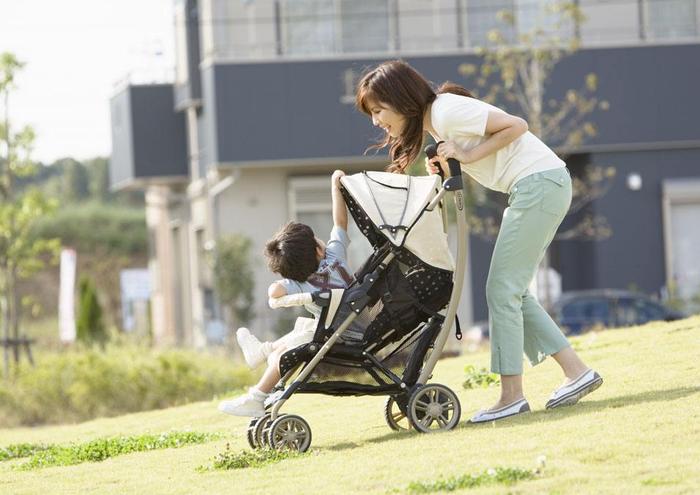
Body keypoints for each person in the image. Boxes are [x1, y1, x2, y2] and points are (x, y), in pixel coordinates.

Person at [355, 60, 603, 423]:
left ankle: (511, 396)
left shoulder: (446, 110)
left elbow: (517, 126)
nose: (376, 121)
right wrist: (450, 164)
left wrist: (467, 156)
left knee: (502, 290)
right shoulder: (439, 123)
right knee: (511, 291)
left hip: (539, 185)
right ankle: (576, 372)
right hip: (535, 187)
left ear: (401, 99)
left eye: (378, 110)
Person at [218, 170, 354, 417]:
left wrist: (278, 287)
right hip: (350, 327)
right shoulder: (336, 256)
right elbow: (340, 222)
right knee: (302, 331)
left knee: (285, 352)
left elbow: (275, 290)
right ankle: (263, 352)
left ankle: (257, 396)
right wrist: (336, 187)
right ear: (318, 250)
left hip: (336, 335)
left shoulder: (300, 284)